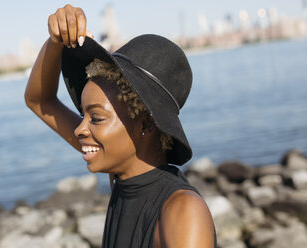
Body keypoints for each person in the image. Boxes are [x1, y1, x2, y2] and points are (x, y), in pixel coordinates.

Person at [25, 4, 216, 248]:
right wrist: (55, 41)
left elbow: (40, 102)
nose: (79, 129)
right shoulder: (121, 175)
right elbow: (40, 101)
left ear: (145, 124)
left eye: (96, 118)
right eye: (83, 115)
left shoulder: (182, 210)